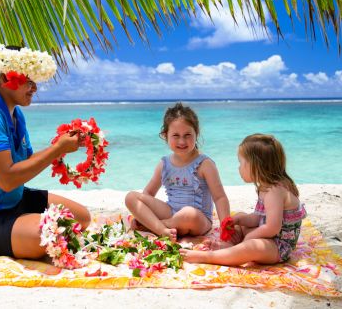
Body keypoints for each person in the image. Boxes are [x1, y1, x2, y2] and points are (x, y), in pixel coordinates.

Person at [0, 39, 91, 259]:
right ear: (5, 78)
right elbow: (8, 180)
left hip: (12, 202)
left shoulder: (15, 114)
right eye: (28, 80)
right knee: (47, 233)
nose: (34, 87)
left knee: (82, 217)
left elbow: (27, 160)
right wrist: (57, 149)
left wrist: (61, 147)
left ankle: (21, 228)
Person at [180, 133, 307, 265]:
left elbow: (272, 228)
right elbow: (259, 217)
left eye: (241, 163)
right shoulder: (266, 187)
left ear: (256, 165)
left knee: (251, 247)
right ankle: (229, 248)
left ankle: (208, 257)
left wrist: (249, 237)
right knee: (240, 217)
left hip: (279, 246)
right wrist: (239, 220)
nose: (239, 168)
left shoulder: (274, 192)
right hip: (270, 238)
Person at [125, 103, 230, 242]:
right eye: (176, 135)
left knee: (188, 214)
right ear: (165, 135)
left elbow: (219, 197)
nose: (182, 141)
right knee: (131, 197)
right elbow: (148, 195)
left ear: (196, 133)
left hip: (198, 220)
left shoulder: (205, 164)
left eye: (187, 135)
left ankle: (157, 227)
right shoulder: (164, 164)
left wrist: (225, 227)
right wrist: (142, 213)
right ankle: (163, 230)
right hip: (171, 211)